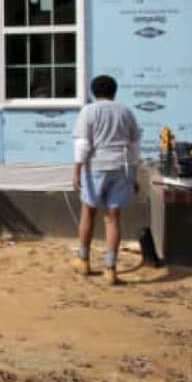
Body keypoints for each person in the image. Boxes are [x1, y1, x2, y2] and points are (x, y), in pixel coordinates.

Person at [71, 74, 142, 285]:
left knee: (88, 212)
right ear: (114, 91)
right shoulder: (126, 112)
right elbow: (135, 146)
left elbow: (83, 144)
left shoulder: (89, 111)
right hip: (122, 167)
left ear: (94, 92)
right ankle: (110, 269)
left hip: (96, 167)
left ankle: (83, 260)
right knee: (113, 218)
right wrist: (134, 174)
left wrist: (76, 170)